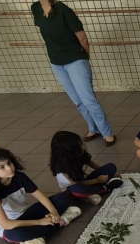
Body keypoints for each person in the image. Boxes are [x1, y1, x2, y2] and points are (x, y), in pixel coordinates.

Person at [31, 0, 115, 146]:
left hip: (76, 60)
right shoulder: (35, 8)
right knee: (78, 101)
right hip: (56, 62)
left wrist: (84, 58)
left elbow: (83, 38)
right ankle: (93, 128)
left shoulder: (64, 10)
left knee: (88, 100)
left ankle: (107, 133)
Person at [0, 147, 81, 244]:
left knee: (63, 198)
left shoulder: (19, 176)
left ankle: (39, 234)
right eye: (2, 167)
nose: (9, 168)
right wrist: (40, 222)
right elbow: (5, 224)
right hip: (10, 226)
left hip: (26, 214)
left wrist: (53, 211)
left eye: (9, 163)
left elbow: (40, 195)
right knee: (16, 234)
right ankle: (60, 221)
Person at [49, 130, 123, 205]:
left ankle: (91, 193)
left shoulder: (79, 153)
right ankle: (106, 188)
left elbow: (91, 163)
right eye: (78, 146)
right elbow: (77, 182)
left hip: (84, 179)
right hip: (73, 188)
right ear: (69, 152)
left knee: (111, 167)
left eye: (80, 144)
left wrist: (107, 174)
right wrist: (97, 180)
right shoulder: (62, 167)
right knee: (78, 189)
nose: (82, 147)